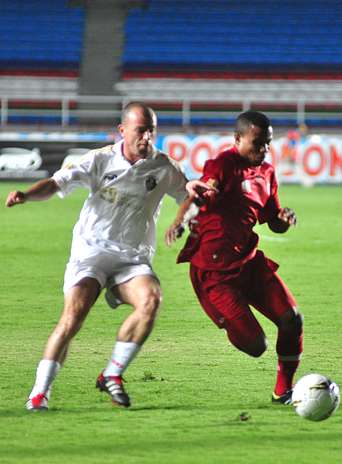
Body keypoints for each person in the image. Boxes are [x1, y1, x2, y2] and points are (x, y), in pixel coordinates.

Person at [6, 102, 209, 411]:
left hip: (132, 258)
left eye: (152, 131)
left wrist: (182, 220)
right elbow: (56, 183)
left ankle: (112, 373)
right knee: (73, 318)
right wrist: (26, 195)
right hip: (91, 252)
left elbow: (189, 196)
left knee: (151, 300)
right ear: (123, 130)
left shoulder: (163, 166)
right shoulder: (99, 160)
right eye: (141, 130)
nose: (147, 138)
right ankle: (39, 391)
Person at [165, 110, 303, 405]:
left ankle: (284, 391)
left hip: (249, 263)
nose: (263, 150)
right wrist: (180, 221)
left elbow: (272, 220)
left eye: (267, 143)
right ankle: (230, 317)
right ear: (237, 139)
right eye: (257, 143)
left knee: (292, 319)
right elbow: (200, 195)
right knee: (255, 346)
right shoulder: (222, 165)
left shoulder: (266, 173)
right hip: (214, 274)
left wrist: (283, 218)